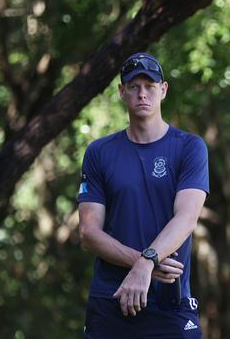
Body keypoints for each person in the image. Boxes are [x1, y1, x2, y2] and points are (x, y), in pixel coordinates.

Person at [78, 53, 209, 338]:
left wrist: (146, 264)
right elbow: (89, 232)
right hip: (110, 300)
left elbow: (186, 217)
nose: (142, 94)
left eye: (150, 86)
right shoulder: (99, 152)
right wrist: (142, 264)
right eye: (134, 86)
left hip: (169, 300)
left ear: (163, 90)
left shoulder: (189, 147)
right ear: (121, 92)